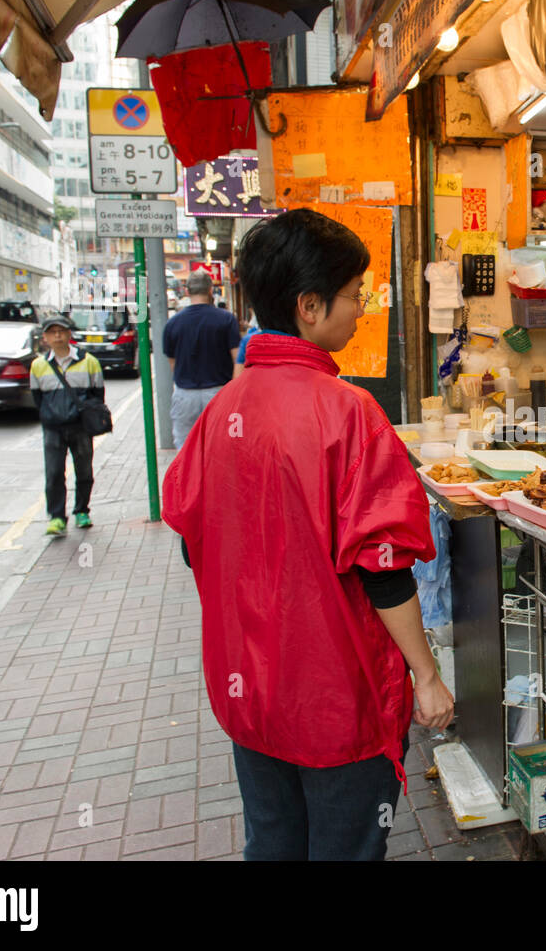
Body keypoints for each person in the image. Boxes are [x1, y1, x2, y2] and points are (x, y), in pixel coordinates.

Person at [161, 209, 453, 861]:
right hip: (336, 703)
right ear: (311, 305)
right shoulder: (348, 412)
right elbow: (383, 568)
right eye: (356, 295)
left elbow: (191, 542)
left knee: (272, 841)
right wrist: (426, 675)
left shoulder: (222, 412)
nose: (362, 308)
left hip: (249, 691)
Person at [29, 316, 105, 536]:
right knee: (53, 472)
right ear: (45, 338)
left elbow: (97, 394)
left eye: (61, 331)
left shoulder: (88, 361)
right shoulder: (38, 365)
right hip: (53, 428)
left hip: (80, 427)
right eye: (52, 332)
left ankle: (82, 510)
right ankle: (56, 517)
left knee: (84, 471)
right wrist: (49, 415)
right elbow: (38, 398)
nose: (57, 336)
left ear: (69, 334)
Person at [161, 271, 240, 448]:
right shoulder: (226, 319)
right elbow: (237, 359)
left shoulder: (173, 324)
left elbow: (172, 364)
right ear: (211, 290)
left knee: (185, 450)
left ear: (187, 291)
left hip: (185, 395)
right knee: (221, 449)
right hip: (219, 394)